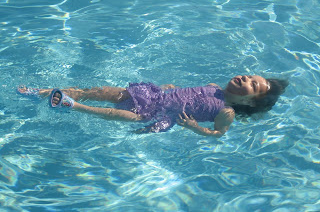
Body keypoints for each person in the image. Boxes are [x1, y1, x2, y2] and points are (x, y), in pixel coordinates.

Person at [17, 75, 288, 137]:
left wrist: (195, 128)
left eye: (252, 85)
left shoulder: (226, 112)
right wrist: (171, 88)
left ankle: (72, 106)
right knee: (101, 91)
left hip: (162, 114)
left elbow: (218, 135)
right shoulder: (214, 87)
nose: (245, 78)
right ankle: (40, 93)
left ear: (248, 102)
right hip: (156, 96)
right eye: (250, 76)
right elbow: (188, 92)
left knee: (124, 116)